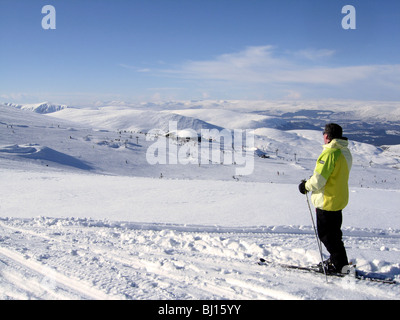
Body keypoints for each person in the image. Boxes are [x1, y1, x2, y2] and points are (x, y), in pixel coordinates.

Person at [298, 123, 352, 273]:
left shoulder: (330, 153)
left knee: (327, 236)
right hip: (338, 199)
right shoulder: (345, 151)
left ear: (327, 136)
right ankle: (340, 262)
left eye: (324, 134)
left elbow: (319, 180)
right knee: (335, 235)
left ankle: (340, 267)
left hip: (326, 201)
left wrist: (305, 186)